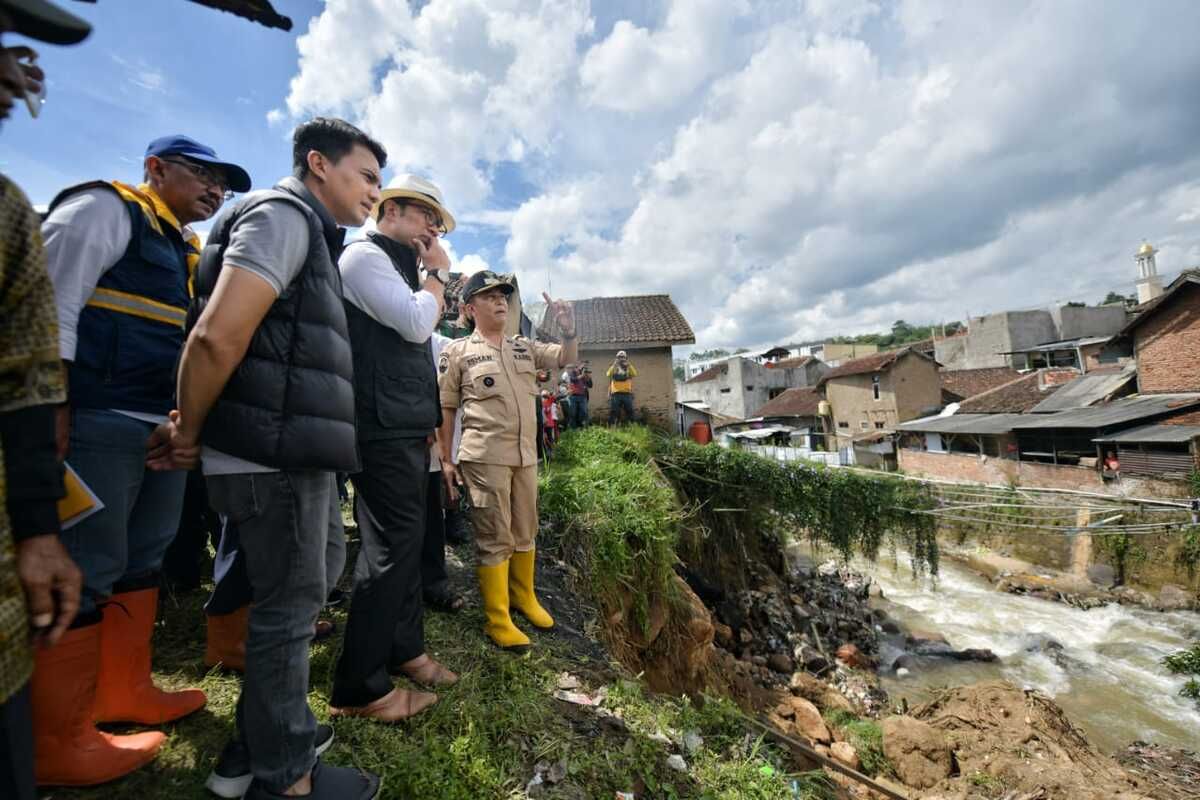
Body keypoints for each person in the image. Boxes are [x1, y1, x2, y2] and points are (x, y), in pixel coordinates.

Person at [162, 117, 385, 800]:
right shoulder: (283, 217)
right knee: (287, 614)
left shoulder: (310, 234)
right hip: (272, 453)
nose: (374, 191)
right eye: (366, 176)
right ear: (319, 164)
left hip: (295, 450)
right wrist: (190, 431)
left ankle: (249, 749)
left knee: (307, 588)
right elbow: (213, 339)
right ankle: (286, 778)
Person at [40, 129, 248, 757]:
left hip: (160, 425)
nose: (215, 190)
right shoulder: (107, 209)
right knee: (87, 560)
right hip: (96, 417)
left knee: (144, 553)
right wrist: (48, 405)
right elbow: (50, 303)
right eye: (202, 175)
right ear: (155, 168)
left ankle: (123, 689)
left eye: (224, 185)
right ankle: (54, 739)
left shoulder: (186, 250)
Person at [0, 4, 93, 794]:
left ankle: (69, 728)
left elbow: (31, 370)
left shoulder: (5, 213)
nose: (15, 74)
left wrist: (36, 529)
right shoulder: (98, 211)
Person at [329, 174, 458, 722]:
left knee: (408, 542)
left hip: (401, 422)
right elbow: (412, 326)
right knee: (389, 548)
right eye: (426, 215)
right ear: (391, 211)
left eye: (438, 221)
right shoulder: (363, 259)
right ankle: (359, 684)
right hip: (376, 424)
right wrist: (436, 278)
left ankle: (405, 650)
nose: (433, 228)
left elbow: (420, 348)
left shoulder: (397, 268)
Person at [438, 273, 577, 649]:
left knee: (525, 528)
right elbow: (447, 409)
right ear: (469, 309)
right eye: (489, 296)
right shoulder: (457, 352)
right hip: (484, 457)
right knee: (494, 534)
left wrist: (567, 331)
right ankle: (497, 619)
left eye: (503, 295)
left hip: (524, 455)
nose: (500, 301)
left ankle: (523, 597)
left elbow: (566, 359)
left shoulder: (523, 347)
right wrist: (446, 460)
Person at [423, 332, 465, 613]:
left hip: (430, 442)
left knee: (430, 510)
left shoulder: (445, 346)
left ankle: (433, 580)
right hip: (387, 434)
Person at [607, 350, 638, 425]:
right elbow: (608, 374)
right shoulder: (614, 367)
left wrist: (629, 365)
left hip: (627, 394)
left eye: (623, 357)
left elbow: (634, 374)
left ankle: (632, 427)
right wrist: (614, 364)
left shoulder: (628, 367)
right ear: (617, 358)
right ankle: (613, 428)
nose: (621, 359)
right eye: (619, 357)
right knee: (614, 412)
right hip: (616, 394)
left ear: (626, 358)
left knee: (630, 411)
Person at [567, 363, 592, 428]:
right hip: (573, 396)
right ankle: (573, 428)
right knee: (573, 413)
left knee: (584, 412)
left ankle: (583, 427)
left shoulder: (585, 375)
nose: (583, 368)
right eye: (582, 366)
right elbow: (573, 380)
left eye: (584, 367)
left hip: (582, 396)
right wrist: (581, 375)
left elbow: (590, 385)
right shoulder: (573, 373)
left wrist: (589, 378)